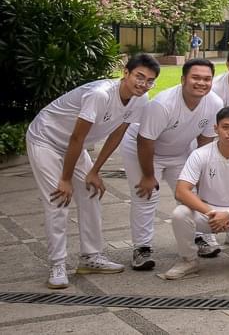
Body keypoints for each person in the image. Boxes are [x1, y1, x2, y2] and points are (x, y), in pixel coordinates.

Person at [25, 54, 159, 289]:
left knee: (91, 192)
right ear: (125, 73)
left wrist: (95, 171)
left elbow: (116, 135)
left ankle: (90, 256)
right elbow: (77, 137)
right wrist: (65, 179)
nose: (143, 84)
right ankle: (57, 264)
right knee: (58, 199)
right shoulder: (99, 95)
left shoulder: (141, 99)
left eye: (149, 80)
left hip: (75, 145)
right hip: (45, 139)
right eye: (139, 76)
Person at [121, 58, 224, 271]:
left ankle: (200, 237)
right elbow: (145, 141)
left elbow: (204, 141)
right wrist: (149, 176)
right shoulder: (163, 104)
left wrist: (199, 171)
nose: (201, 83)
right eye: (195, 78)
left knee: (191, 194)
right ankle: (141, 248)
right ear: (183, 79)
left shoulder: (214, 103)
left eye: (207, 79)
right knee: (146, 195)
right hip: (143, 150)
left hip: (179, 151)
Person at [162, 107, 229, 279]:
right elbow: (181, 191)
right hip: (207, 212)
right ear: (216, 128)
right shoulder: (200, 154)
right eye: (225, 127)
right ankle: (188, 259)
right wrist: (211, 212)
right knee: (180, 213)